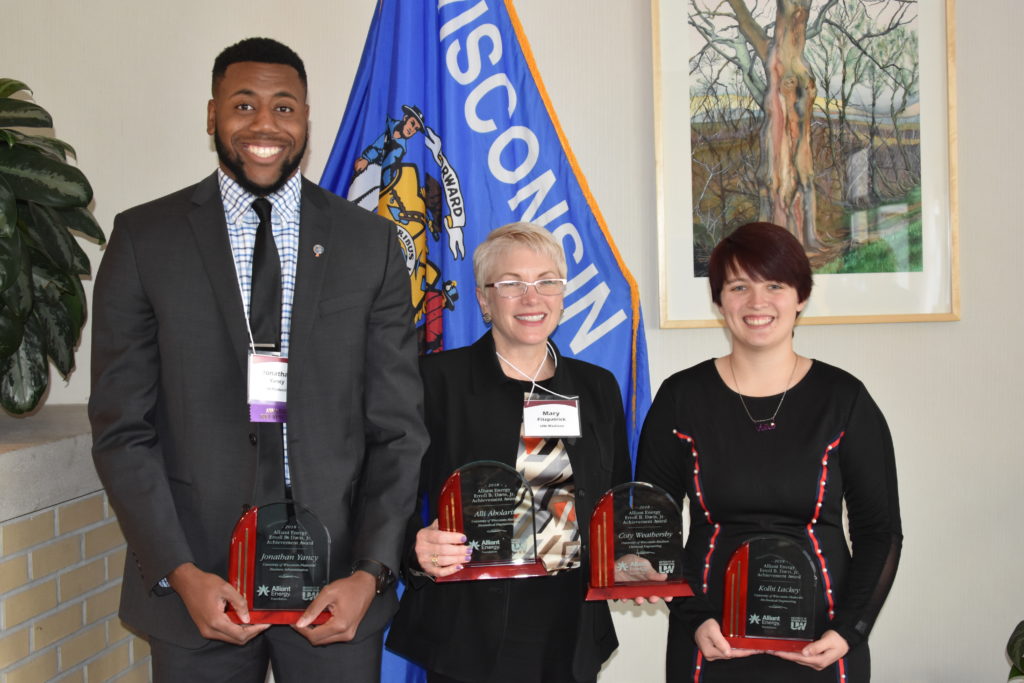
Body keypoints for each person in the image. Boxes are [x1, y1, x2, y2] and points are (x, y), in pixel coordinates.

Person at [88, 37, 427, 682]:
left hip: (336, 588)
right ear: (212, 114)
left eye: (284, 107)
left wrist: (369, 572)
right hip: (198, 585)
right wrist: (179, 571)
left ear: (306, 119)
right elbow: (121, 429)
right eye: (243, 105)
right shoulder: (144, 239)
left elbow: (399, 429)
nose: (264, 125)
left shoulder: (371, 244)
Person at [636, 222, 902, 682]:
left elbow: (880, 531)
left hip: (821, 643)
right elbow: (649, 527)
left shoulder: (845, 399)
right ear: (719, 301)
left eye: (774, 285)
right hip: (709, 643)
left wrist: (850, 631)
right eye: (739, 286)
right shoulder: (681, 398)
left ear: (800, 296)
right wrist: (693, 618)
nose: (757, 303)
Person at [385, 223, 632, 683]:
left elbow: (613, 499)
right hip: (467, 634)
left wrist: (631, 558)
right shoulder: (433, 382)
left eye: (546, 283)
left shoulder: (598, 387)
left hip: (570, 631)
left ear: (562, 294)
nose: (531, 298)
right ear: (483, 299)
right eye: (511, 284)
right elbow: (383, 492)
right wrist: (412, 547)